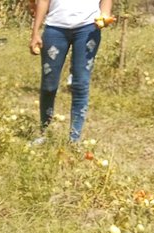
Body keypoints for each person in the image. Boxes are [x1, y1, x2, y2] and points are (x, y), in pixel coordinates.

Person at [29, 0, 113, 143]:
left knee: (80, 84)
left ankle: (74, 139)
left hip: (88, 30)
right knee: (49, 86)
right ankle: (44, 133)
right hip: (55, 29)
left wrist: (105, 15)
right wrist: (35, 32)